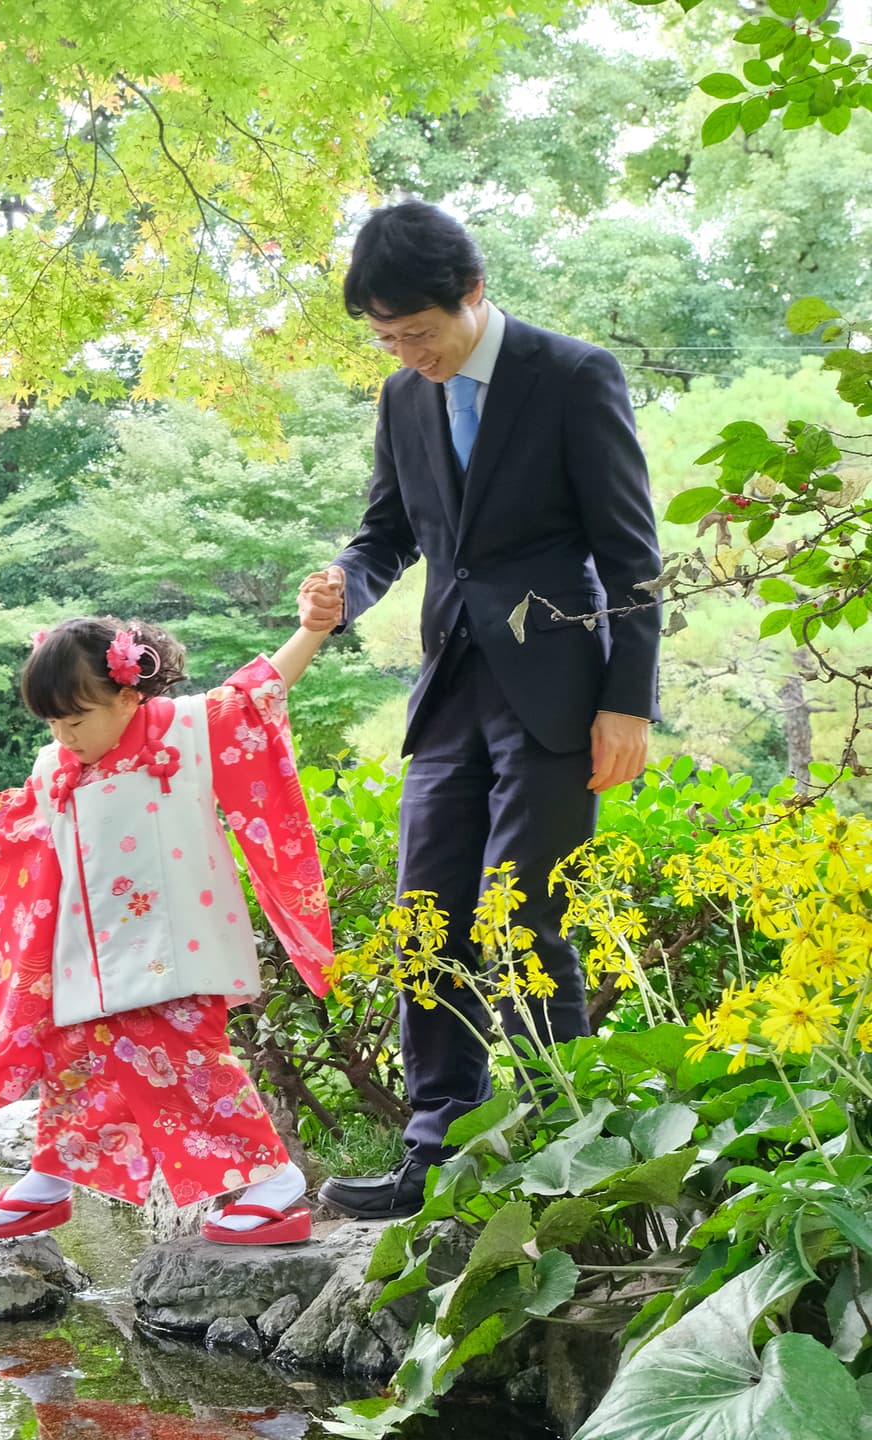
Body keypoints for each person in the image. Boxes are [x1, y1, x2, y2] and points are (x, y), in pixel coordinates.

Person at [299, 201, 662, 1220]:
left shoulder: (572, 375)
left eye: (418, 332)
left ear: (472, 295)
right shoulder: (404, 398)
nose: (407, 354)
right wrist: (344, 585)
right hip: (448, 690)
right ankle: (435, 1153)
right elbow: (387, 535)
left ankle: (564, 1153)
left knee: (529, 921)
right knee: (428, 921)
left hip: (557, 693)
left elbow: (632, 558)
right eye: (386, 339)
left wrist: (627, 701)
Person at [0, 613, 338, 1243]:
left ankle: (274, 1178)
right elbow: (25, 824)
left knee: (188, 1061)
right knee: (75, 1058)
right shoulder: (56, 764)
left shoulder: (187, 729)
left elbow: (258, 689)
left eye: (76, 720)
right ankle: (52, 1176)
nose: (63, 736)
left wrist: (313, 629)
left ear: (130, 695)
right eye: (52, 722)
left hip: (177, 948)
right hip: (92, 954)